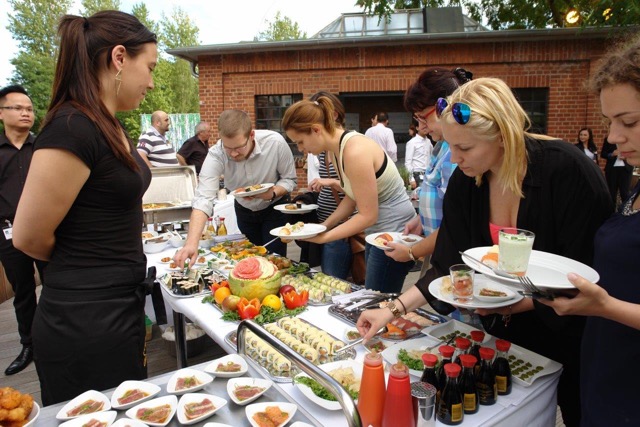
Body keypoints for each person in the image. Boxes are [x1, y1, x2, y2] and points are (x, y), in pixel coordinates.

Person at [357, 78, 612, 426]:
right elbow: (448, 265)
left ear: (503, 135)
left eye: (465, 148)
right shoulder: (467, 179)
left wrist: (520, 303)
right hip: (505, 330)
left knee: (579, 408)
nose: (455, 158)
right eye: (449, 146)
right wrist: (392, 308)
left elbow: (585, 270)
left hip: (572, 330)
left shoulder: (566, 171)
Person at [12, 10, 157, 405]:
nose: (152, 81)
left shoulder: (107, 123)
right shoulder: (72, 127)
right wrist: (86, 261)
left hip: (117, 310)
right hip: (84, 320)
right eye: (150, 67)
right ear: (120, 58)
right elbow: (27, 236)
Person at [540, 35, 640, 426]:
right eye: (610, 122)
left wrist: (604, 307)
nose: (613, 137)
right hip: (606, 369)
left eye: (629, 121)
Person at [283, 97, 416, 293]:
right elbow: (352, 197)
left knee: (376, 301)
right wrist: (321, 226)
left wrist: (325, 237)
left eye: (300, 142)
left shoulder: (354, 151)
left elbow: (368, 215)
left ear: (316, 129)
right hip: (378, 231)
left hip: (394, 231)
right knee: (374, 299)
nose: (301, 150)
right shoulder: (337, 149)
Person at [174, 110, 297, 265]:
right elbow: (203, 198)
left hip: (274, 206)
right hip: (244, 209)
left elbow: (290, 179)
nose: (232, 154)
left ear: (251, 136)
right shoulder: (216, 154)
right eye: (228, 147)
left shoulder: (275, 143)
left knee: (275, 260)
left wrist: (272, 193)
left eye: (238, 147)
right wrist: (191, 243)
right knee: (251, 259)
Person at [384, 67, 467, 272]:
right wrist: (421, 219)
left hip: (455, 259)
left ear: (445, 107)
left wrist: (413, 252)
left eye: (423, 117)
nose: (421, 126)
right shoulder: (442, 146)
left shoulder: (456, 154)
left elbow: (455, 223)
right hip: (441, 252)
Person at [0, 85, 47, 376]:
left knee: (54, 283)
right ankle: (29, 344)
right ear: (2, 112)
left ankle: (55, 338)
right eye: (18, 108)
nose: (26, 113)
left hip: (45, 229)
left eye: (29, 108)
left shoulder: (42, 148)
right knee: (23, 291)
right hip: (8, 232)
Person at [306, 91, 359, 281]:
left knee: (333, 281)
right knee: (329, 278)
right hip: (328, 222)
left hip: (344, 226)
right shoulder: (323, 149)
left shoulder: (351, 146)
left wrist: (331, 182)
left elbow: (357, 194)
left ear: (334, 115)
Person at [602, 136, 633, 206]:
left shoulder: (629, 139)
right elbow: (603, 154)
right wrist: (612, 154)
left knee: (625, 193)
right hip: (612, 170)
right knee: (611, 193)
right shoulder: (608, 140)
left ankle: (625, 213)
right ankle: (611, 213)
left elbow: (634, 153)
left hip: (625, 169)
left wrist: (626, 157)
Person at [404, 120, 431, 189]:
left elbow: (432, 158)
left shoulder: (428, 141)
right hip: (417, 175)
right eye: (423, 126)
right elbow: (408, 162)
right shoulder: (412, 143)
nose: (425, 128)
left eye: (426, 126)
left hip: (428, 174)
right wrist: (411, 179)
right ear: (417, 128)